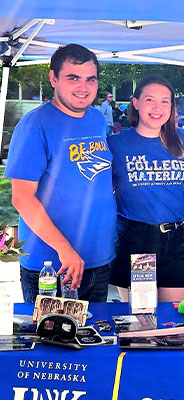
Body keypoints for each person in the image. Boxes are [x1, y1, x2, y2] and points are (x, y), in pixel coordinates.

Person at [4, 43, 116, 302]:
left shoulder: (97, 119)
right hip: (53, 265)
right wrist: (64, 249)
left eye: (91, 79)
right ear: (53, 79)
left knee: (95, 339)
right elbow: (22, 198)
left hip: (98, 258)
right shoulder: (34, 125)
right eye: (73, 78)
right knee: (53, 341)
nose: (83, 87)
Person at [107, 75, 184, 302]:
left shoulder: (182, 139)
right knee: (142, 320)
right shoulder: (117, 144)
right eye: (150, 100)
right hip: (139, 241)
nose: (157, 108)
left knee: (173, 320)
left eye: (165, 101)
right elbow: (101, 194)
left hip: (178, 240)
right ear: (136, 103)